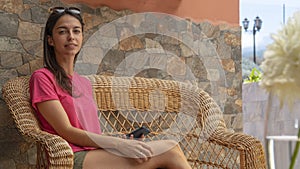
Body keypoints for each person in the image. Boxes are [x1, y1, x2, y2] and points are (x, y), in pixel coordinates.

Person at [29, 6, 192, 169]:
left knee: (163, 156)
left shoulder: (83, 83)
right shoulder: (42, 78)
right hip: (69, 157)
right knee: (170, 149)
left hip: (96, 154)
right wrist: (118, 144)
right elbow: (66, 130)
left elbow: (92, 132)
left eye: (76, 31)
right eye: (63, 32)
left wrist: (124, 140)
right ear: (50, 40)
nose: (71, 37)